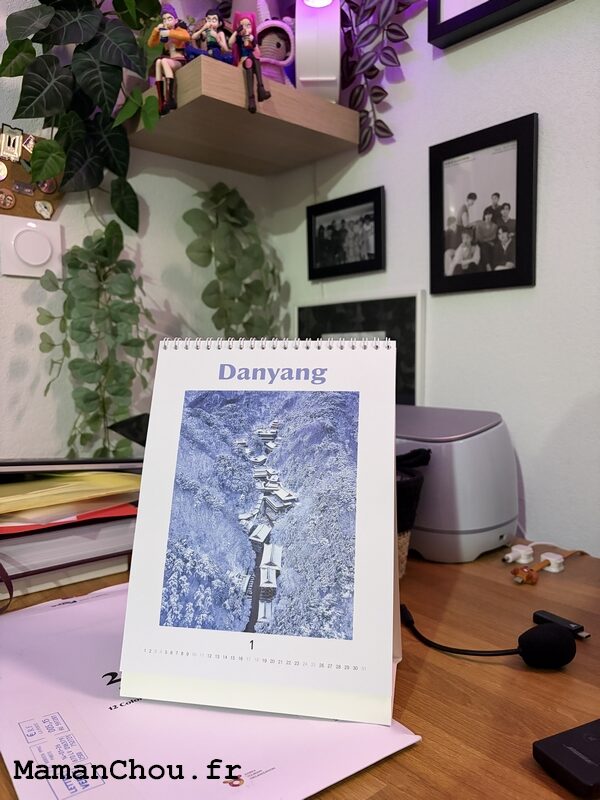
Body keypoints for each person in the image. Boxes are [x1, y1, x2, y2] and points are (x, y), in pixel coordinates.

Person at [148, 4, 190, 115]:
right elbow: (151, 44)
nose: (166, 21)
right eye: (164, 19)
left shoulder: (179, 30)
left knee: (164, 61)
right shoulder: (164, 33)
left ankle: (170, 97)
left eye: (169, 18)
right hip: (171, 61)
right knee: (158, 61)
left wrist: (169, 33)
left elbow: (186, 37)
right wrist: (156, 30)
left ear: (175, 20)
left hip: (180, 61)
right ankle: (161, 101)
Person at [229, 12, 271, 113]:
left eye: (248, 25)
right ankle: (257, 92)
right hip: (243, 60)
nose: (246, 28)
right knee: (249, 60)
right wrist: (236, 32)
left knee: (253, 58)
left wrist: (253, 42)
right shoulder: (239, 38)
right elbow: (230, 43)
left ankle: (256, 93)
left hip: (251, 61)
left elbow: (258, 53)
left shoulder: (252, 38)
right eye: (243, 25)